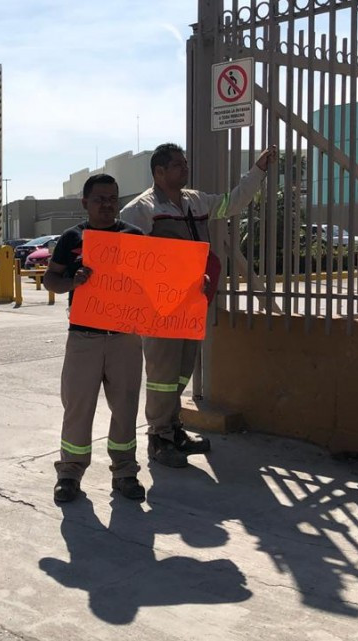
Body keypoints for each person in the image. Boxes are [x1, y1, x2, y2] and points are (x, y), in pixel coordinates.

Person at [120, 142, 276, 468]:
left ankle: (172, 428)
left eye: (185, 163)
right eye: (178, 165)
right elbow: (129, 258)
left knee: (181, 371)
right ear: (159, 172)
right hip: (161, 308)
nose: (185, 169)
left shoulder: (196, 201)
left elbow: (233, 202)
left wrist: (258, 170)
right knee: (162, 375)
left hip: (192, 302)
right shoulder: (140, 209)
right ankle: (159, 438)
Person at [44, 174, 146, 503]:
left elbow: (157, 282)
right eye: (100, 199)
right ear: (85, 202)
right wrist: (72, 282)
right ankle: (70, 473)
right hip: (83, 338)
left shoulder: (135, 237)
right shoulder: (72, 238)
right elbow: (50, 280)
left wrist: (190, 282)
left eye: (113, 198)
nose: (107, 204)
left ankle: (125, 472)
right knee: (78, 407)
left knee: (126, 407)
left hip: (125, 339)